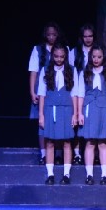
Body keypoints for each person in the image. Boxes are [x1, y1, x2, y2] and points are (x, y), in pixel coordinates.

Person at [38, 43, 81, 186]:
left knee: (67, 142)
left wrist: (75, 114)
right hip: (50, 109)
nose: (59, 59)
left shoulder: (72, 70)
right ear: (52, 56)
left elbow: (75, 94)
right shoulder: (45, 70)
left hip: (67, 110)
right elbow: (42, 94)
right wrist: (41, 115)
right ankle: (50, 174)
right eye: (56, 56)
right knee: (50, 142)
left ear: (66, 57)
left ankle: (66, 174)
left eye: (62, 57)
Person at [79, 44, 106, 186]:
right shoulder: (85, 72)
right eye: (94, 57)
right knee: (90, 142)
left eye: (99, 57)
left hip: (105, 108)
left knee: (103, 143)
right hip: (90, 108)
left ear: (104, 57)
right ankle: (89, 175)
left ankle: (104, 175)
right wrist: (79, 113)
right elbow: (80, 94)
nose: (96, 59)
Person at [70, 23, 106, 166]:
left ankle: (98, 157)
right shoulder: (75, 52)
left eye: (90, 36)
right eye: (85, 36)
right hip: (81, 87)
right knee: (80, 125)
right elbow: (70, 70)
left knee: (98, 129)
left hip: (96, 92)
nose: (87, 39)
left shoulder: (101, 50)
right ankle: (77, 153)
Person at [27, 21, 63, 164]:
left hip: (58, 91)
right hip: (42, 90)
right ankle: (43, 154)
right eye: (49, 35)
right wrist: (32, 91)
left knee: (59, 121)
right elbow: (33, 72)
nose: (51, 37)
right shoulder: (38, 50)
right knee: (42, 123)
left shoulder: (63, 49)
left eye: (54, 34)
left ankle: (58, 154)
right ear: (45, 35)